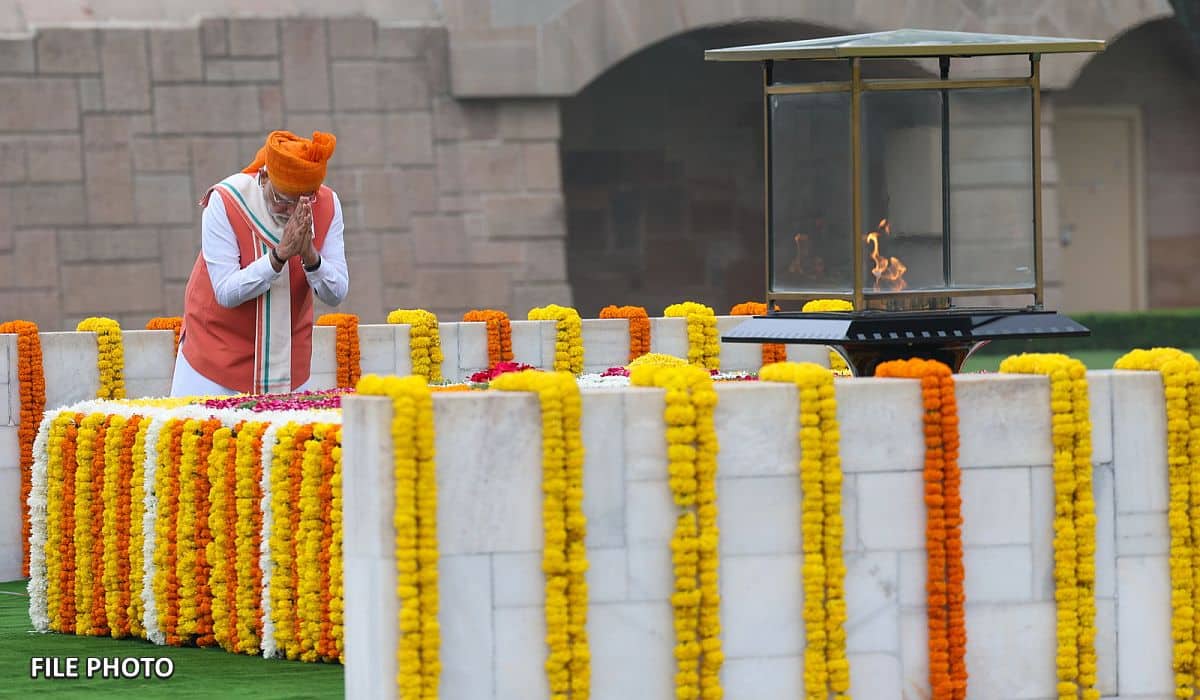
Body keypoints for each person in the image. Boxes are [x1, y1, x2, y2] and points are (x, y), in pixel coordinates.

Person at [170, 130, 349, 397]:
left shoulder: (327, 204)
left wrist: (310, 256)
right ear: (263, 177)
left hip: (287, 361)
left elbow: (337, 293)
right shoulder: (226, 200)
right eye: (283, 200)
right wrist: (278, 257)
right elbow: (226, 293)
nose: (291, 212)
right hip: (214, 357)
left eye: (301, 202)